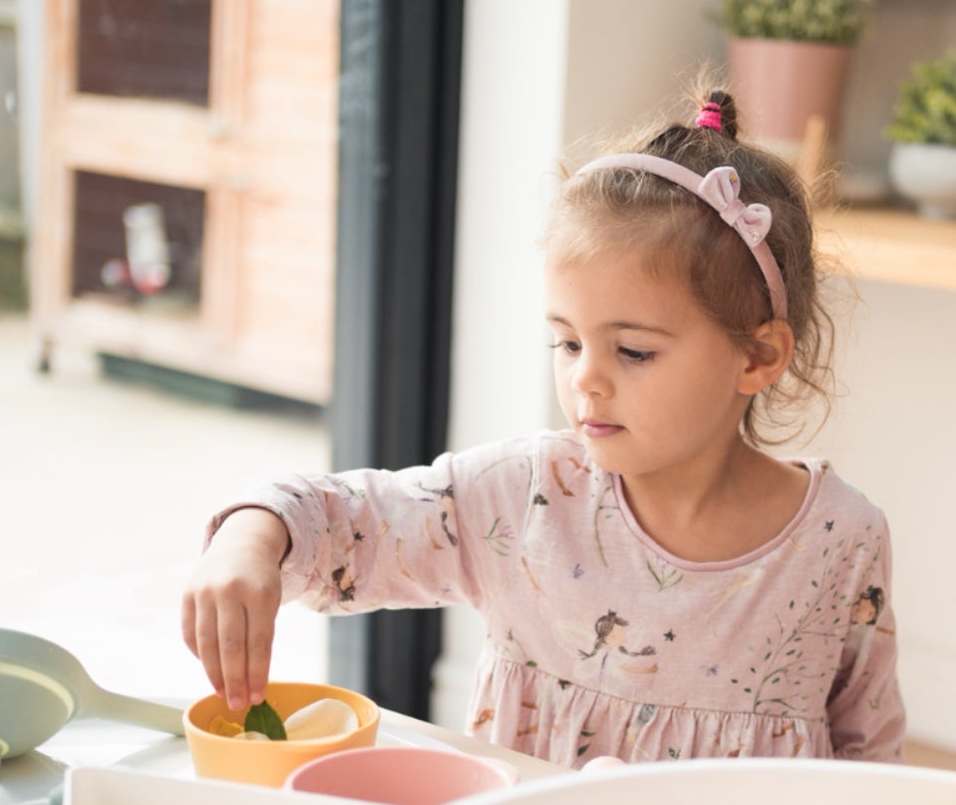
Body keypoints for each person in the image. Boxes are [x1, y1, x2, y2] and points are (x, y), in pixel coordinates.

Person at [182, 90, 905, 766]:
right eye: (566, 342)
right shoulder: (521, 497)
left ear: (757, 355)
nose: (584, 378)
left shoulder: (841, 539)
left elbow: (868, 759)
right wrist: (251, 535)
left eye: (633, 351)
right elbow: (346, 521)